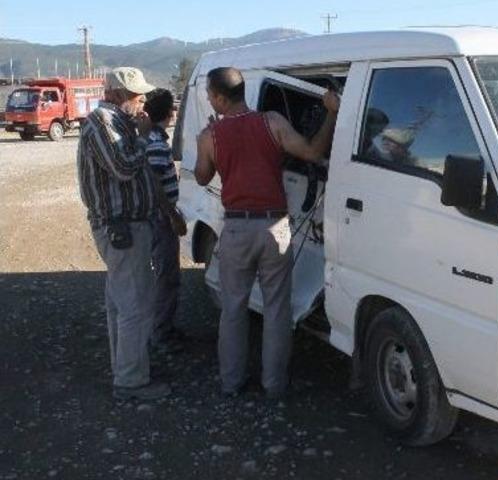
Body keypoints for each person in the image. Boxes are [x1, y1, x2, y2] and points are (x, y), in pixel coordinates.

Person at [194, 67, 340, 399]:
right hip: (275, 228)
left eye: (208, 94)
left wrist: (205, 145)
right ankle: (274, 385)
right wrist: (331, 114)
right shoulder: (272, 122)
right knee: (277, 309)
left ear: (218, 97)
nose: (207, 99)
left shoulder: (210, 136)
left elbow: (202, 178)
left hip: (236, 228)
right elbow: (314, 152)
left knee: (233, 308)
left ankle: (231, 384)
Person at [77, 67, 170, 400]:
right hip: (122, 227)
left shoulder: (118, 121)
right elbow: (124, 167)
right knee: (134, 305)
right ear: (116, 95)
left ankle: (129, 367)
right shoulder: (103, 122)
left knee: (122, 302)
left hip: (127, 226)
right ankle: (131, 380)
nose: (141, 100)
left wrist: (137, 129)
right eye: (135, 95)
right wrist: (143, 136)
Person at [143, 88, 187, 354]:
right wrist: (174, 215)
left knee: (163, 274)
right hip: (162, 219)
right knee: (167, 276)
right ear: (170, 113)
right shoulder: (158, 145)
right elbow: (157, 186)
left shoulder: (151, 139)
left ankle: (161, 329)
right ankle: (161, 333)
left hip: (157, 218)